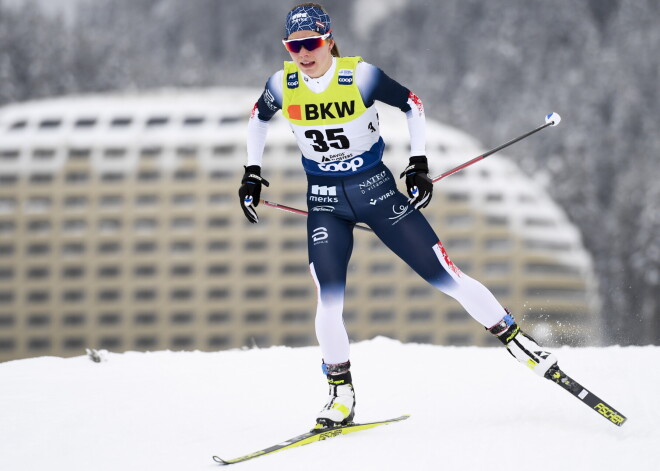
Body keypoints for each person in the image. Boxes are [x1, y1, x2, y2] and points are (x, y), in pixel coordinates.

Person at [239, 2, 558, 429]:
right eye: (294, 45)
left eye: (311, 42)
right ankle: (340, 395)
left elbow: (412, 104)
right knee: (329, 300)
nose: (303, 52)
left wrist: (419, 164)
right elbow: (258, 119)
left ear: (329, 39)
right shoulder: (283, 84)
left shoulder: (360, 75)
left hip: (376, 192)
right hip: (325, 204)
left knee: (444, 275)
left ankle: (517, 341)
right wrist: (252, 174)